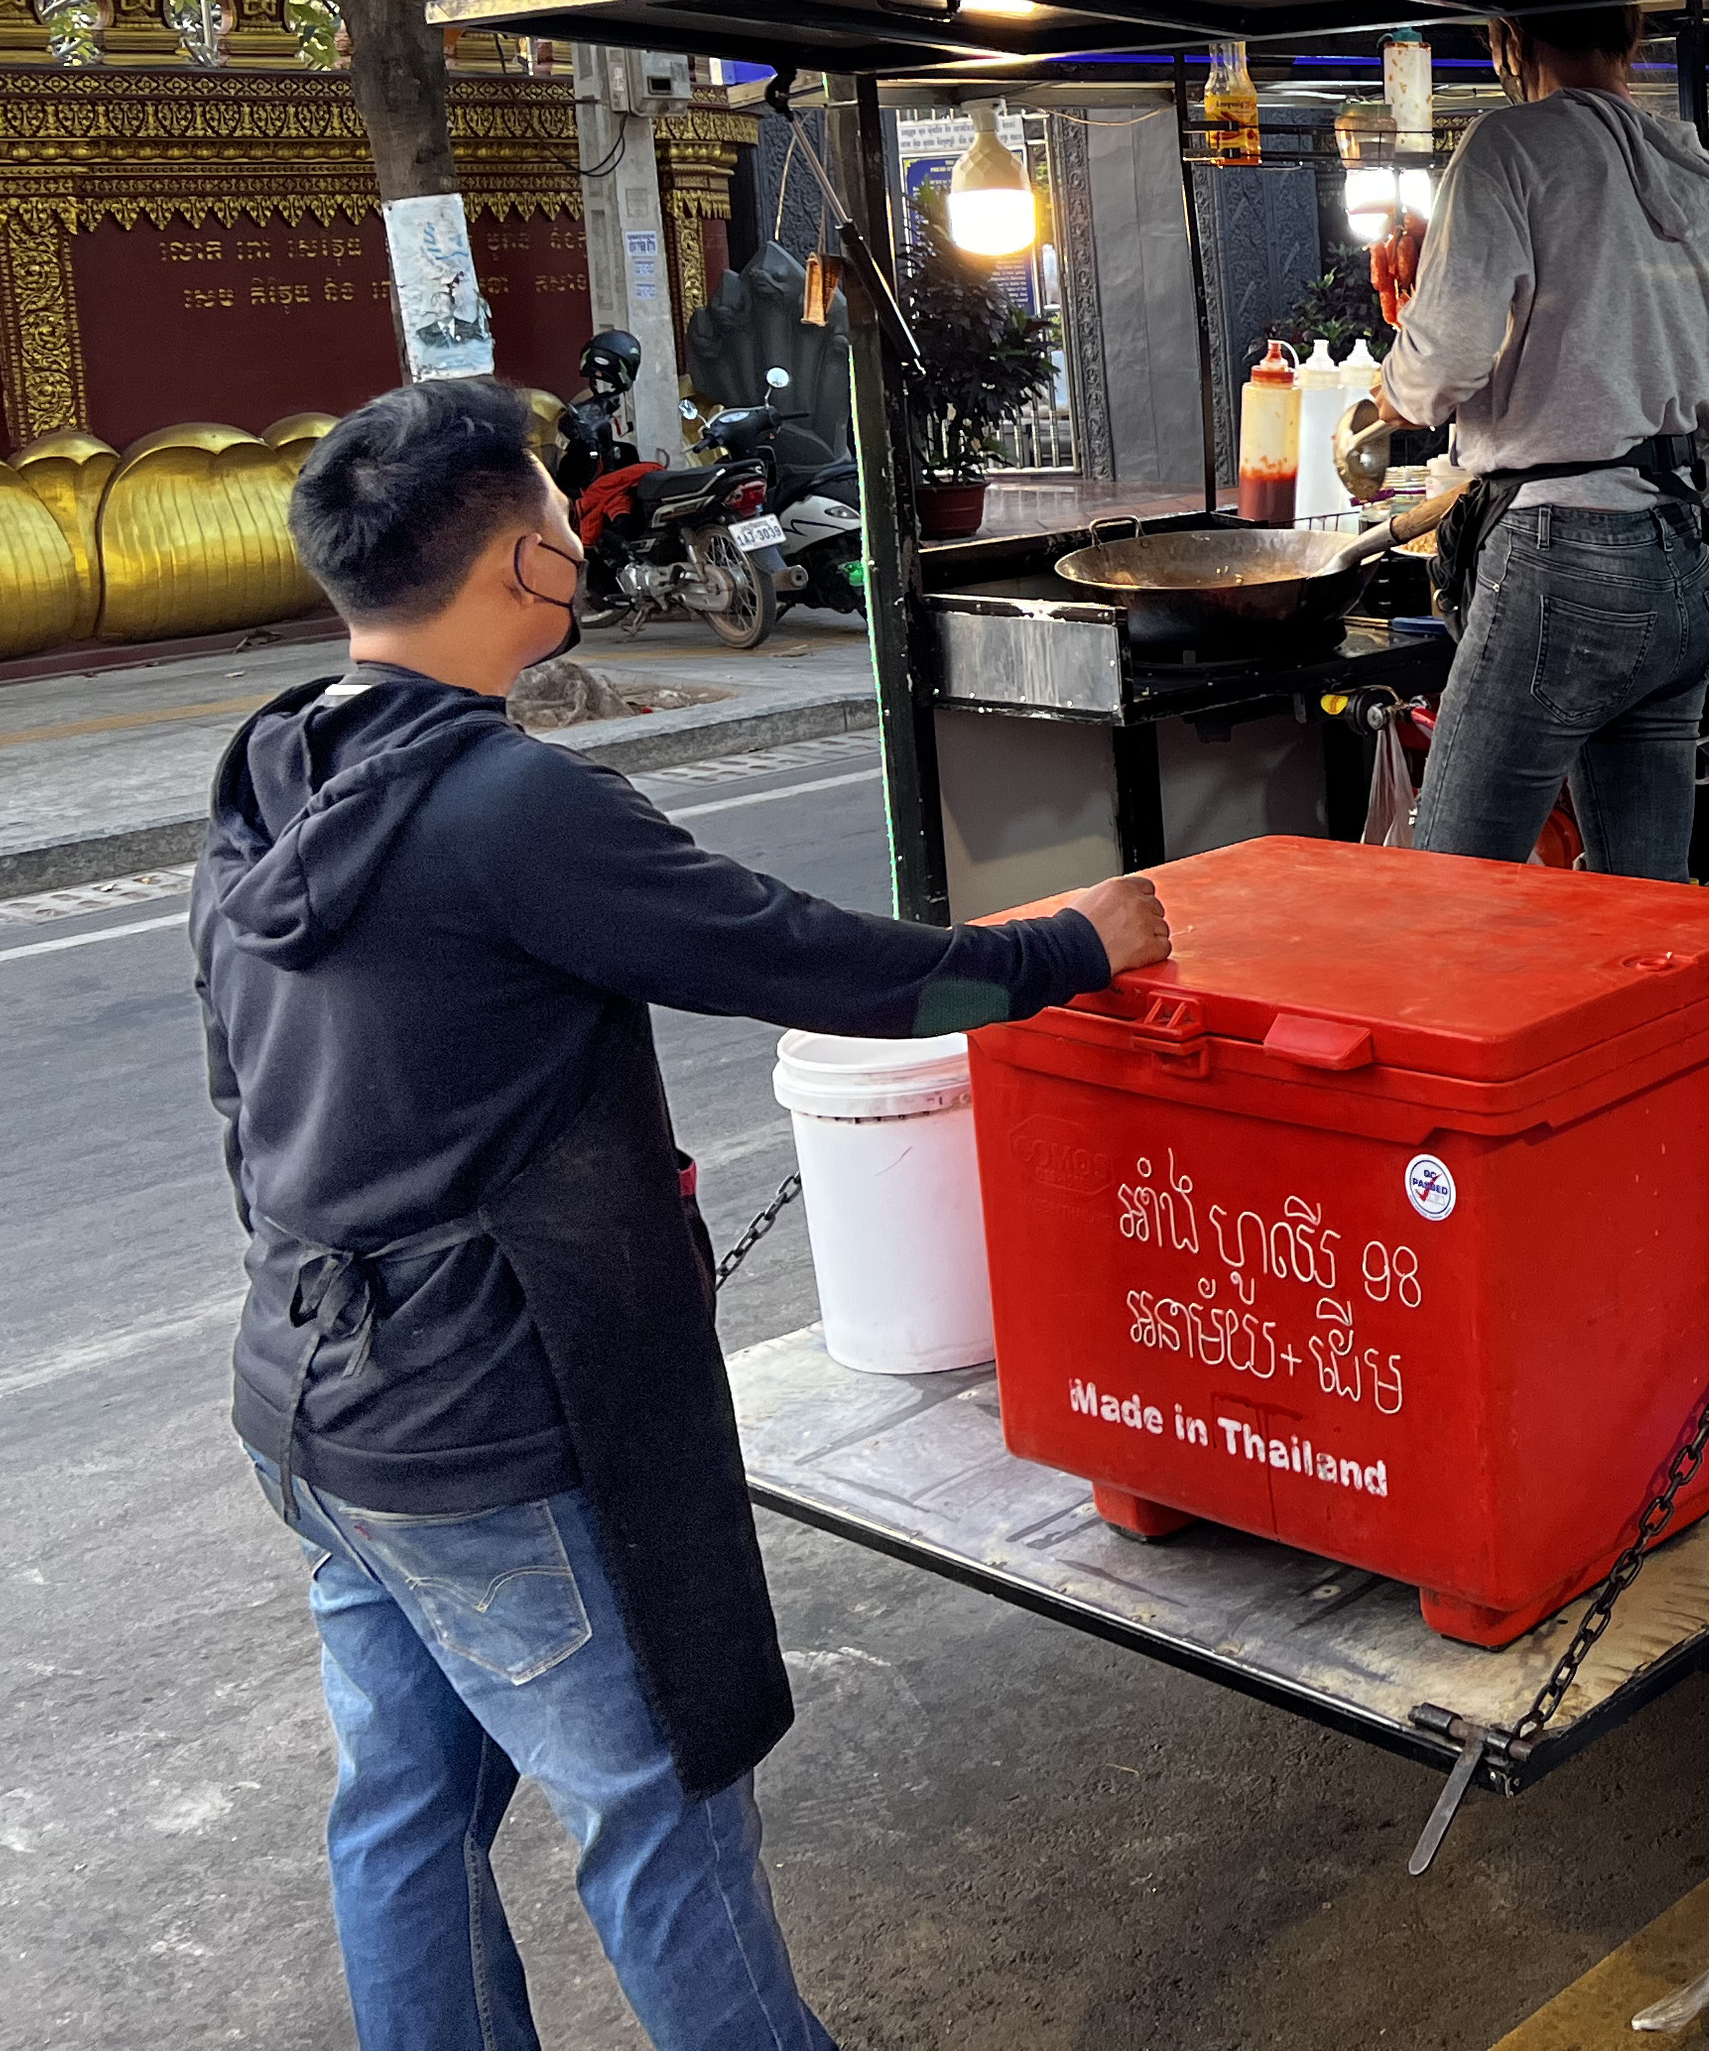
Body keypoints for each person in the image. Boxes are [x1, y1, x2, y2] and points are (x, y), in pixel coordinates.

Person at [204, 379, 1166, 2051]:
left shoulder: (274, 777)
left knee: (403, 1810)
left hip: (314, 1405)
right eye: (562, 519)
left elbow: (242, 1097)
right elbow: (805, 959)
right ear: (522, 563)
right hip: (485, 1424)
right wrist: (1069, 949)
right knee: (658, 1803)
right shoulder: (512, 811)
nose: (579, 539)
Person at [1343, 3, 1709, 875]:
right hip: (1683, 560)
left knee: (1450, 884)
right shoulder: (1698, 175)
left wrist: (1393, 387)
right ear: (1634, 37)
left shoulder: (1509, 146)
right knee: (1649, 912)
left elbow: (1441, 362)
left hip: (1563, 564)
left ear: (1507, 40)